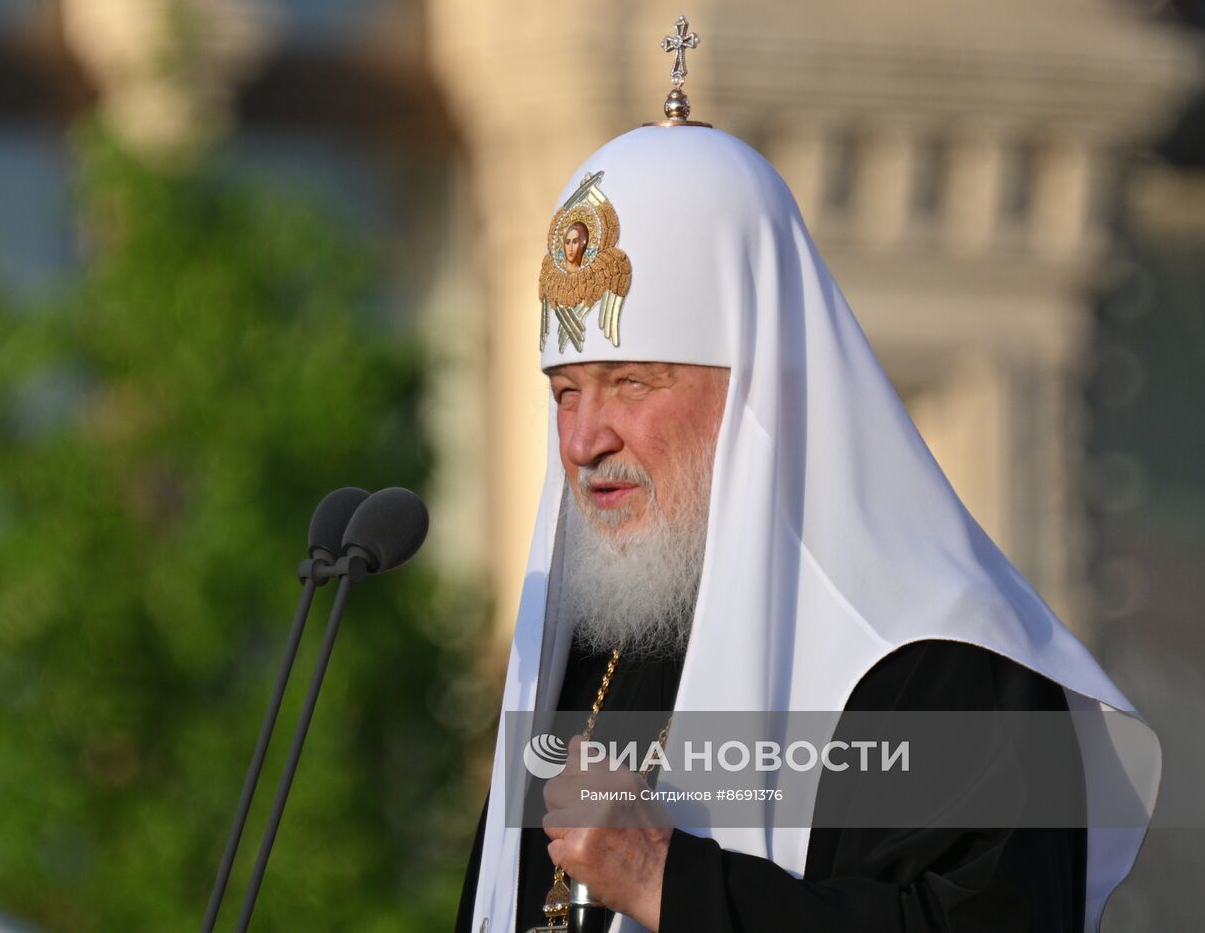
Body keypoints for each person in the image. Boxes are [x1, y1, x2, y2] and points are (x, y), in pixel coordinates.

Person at [454, 72, 1158, 933]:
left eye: (631, 383)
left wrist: (671, 883)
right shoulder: (589, 649)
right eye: (565, 393)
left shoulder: (947, 662)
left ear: (760, 389)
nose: (581, 441)